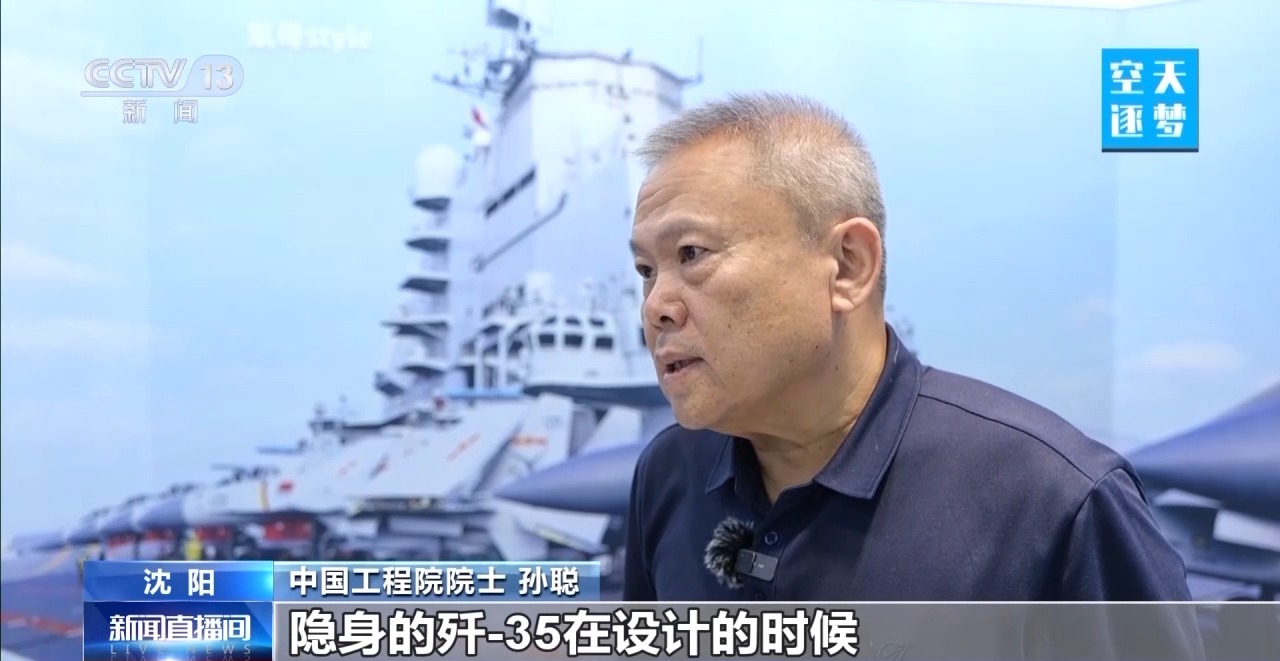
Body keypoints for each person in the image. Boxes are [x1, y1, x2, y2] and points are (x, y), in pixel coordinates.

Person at [623, 92, 1194, 604]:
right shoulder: (670, 474)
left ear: (848, 266)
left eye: (692, 254)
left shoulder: (1055, 503)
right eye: (646, 270)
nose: (655, 307)